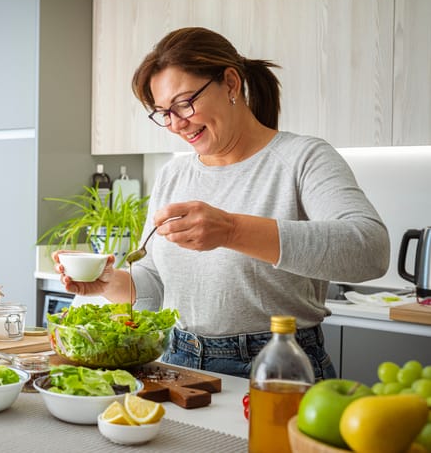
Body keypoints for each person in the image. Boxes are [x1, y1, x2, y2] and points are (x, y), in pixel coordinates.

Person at [52, 27, 390, 380]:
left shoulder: (302, 158)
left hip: (275, 368)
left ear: (230, 83)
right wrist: (109, 283)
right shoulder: (174, 174)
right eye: (164, 112)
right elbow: (155, 288)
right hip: (179, 362)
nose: (176, 124)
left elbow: (369, 248)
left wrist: (231, 230)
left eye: (184, 103)